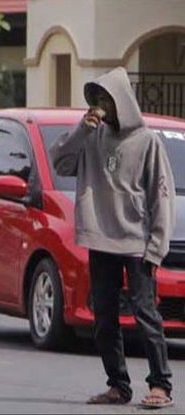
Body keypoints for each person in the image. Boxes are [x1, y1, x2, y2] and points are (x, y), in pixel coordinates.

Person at [51, 67, 175, 409]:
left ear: (121, 101)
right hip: (100, 240)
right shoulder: (91, 138)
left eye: (106, 99)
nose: (100, 106)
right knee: (104, 319)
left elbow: (161, 198)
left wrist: (156, 248)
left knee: (146, 314)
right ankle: (118, 386)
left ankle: (161, 385)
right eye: (96, 99)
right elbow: (60, 162)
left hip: (137, 244)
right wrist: (80, 131)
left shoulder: (148, 142)